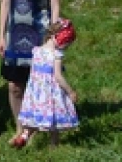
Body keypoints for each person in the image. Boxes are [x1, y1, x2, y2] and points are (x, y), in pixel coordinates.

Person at [0, 0, 62, 146]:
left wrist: (53, 35)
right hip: (15, 35)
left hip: (40, 35)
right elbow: (6, 3)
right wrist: (1, 36)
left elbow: (54, 4)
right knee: (15, 85)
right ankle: (20, 127)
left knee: (41, 84)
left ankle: (39, 129)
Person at [13, 19, 79, 148]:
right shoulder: (56, 54)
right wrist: (70, 91)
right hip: (50, 92)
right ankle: (54, 145)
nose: (66, 47)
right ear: (59, 39)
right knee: (53, 120)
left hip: (36, 91)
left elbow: (32, 73)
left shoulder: (37, 51)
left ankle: (25, 135)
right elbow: (58, 76)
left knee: (35, 119)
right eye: (66, 44)